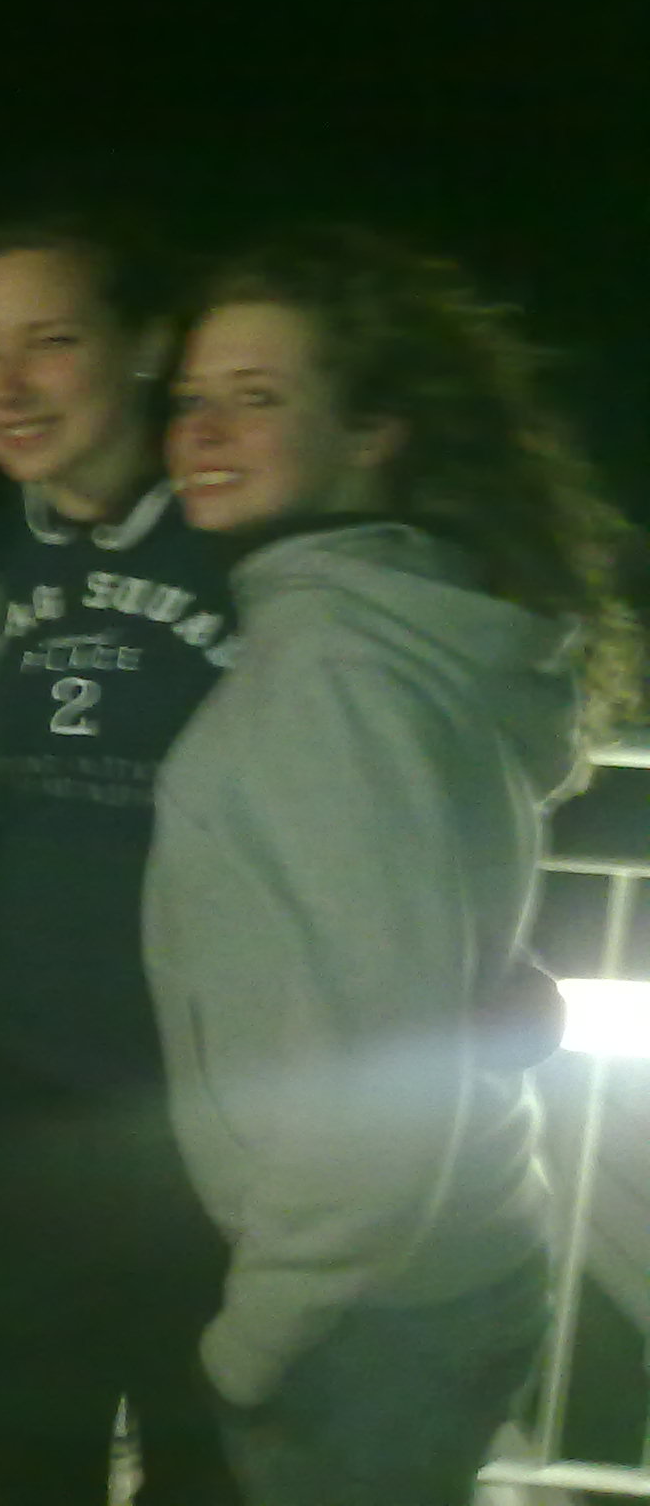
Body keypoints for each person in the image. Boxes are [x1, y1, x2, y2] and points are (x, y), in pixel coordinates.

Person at [150, 224, 639, 1506]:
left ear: (371, 432)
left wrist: (249, 1344)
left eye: (256, 398)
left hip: (367, 1311)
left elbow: (375, 1080)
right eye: (190, 397)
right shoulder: (401, 633)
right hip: (446, 1259)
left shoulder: (333, 682)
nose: (201, 429)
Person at [0, 213, 242, 1505]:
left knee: (204, 1464)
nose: (6, 386)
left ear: (146, 346)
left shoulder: (247, 549)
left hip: (218, 1116)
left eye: (48, 341)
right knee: (31, 1459)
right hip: (24, 1101)